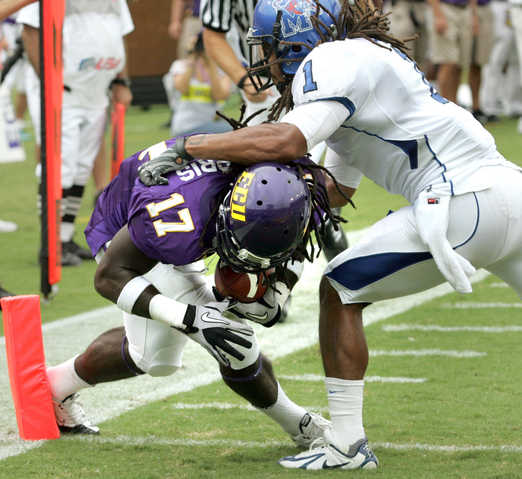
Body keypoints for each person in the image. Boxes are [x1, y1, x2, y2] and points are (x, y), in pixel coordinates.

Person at [139, 0, 522, 470]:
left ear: (293, 43)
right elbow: (336, 189)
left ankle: (346, 443)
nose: (266, 60)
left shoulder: (328, 60)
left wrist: (188, 147)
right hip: (508, 192)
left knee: (339, 289)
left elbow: (286, 141)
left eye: (270, 48)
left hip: (460, 200)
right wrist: (258, 228)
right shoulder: (365, 59)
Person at [47, 132, 337, 448]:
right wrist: (190, 318)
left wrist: (278, 291)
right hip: (129, 225)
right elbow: (109, 277)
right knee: (222, 340)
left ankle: (55, 385)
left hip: (192, 211)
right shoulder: (174, 217)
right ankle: (302, 426)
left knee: (157, 355)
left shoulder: (298, 188)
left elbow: (299, 241)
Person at [17, 0, 134, 266]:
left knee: (81, 167)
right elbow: (30, 31)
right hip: (63, 91)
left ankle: (65, 238)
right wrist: (49, 80)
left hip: (96, 89)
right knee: (61, 168)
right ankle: (50, 243)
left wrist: (121, 80)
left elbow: (119, 33)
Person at [168, 32, 233, 137]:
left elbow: (219, 96)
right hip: (185, 126)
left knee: (235, 130)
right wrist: (193, 57)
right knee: (232, 131)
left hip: (209, 124)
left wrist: (211, 62)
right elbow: (182, 88)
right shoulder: (180, 66)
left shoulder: (220, 70)